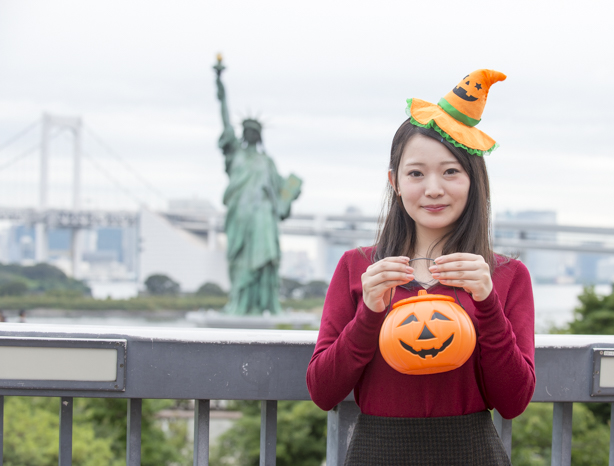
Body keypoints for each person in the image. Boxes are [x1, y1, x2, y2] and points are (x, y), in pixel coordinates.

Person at [306, 70, 535, 465]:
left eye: (451, 171)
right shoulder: (358, 267)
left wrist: (487, 303)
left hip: (472, 453)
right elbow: (323, 391)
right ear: (394, 181)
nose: (433, 188)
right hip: (376, 452)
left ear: (473, 181)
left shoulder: (505, 275)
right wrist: (370, 314)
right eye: (416, 173)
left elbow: (513, 401)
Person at [213, 55, 302, 315]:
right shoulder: (235, 156)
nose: (250, 134)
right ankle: (239, 303)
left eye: (255, 131)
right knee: (240, 260)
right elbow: (224, 119)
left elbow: (281, 194)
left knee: (266, 260)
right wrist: (219, 84)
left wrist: (290, 194)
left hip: (263, 214)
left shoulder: (267, 161)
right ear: (242, 134)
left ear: (259, 135)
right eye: (247, 130)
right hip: (241, 214)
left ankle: (265, 304)